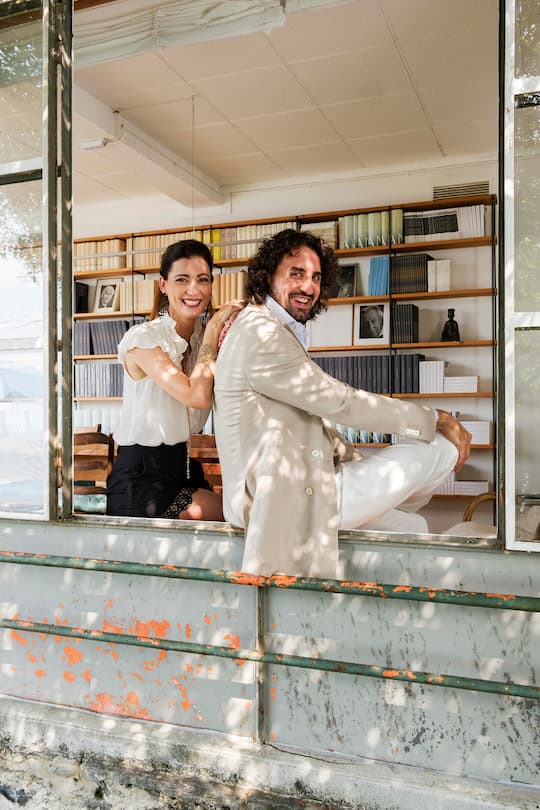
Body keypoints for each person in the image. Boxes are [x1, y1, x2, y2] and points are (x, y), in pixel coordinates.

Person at [213, 229, 471, 578]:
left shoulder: (268, 327)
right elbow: (341, 402)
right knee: (440, 448)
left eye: (316, 277)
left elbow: (312, 421)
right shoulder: (262, 333)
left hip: (308, 479)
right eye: (296, 273)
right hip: (286, 495)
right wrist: (435, 417)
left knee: (413, 528)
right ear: (267, 276)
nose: (308, 286)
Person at [107, 239, 241, 520]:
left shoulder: (203, 339)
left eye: (202, 279)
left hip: (183, 467)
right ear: (163, 284)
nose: (194, 289)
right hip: (141, 479)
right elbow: (197, 395)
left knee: (243, 516)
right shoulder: (143, 338)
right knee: (238, 517)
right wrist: (214, 327)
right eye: (182, 279)